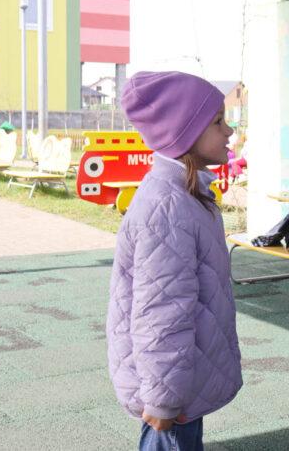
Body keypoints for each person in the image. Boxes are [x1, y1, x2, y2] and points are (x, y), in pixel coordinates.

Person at [107, 71, 243, 451]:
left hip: (181, 375)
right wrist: (163, 397)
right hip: (169, 386)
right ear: (185, 133)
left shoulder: (185, 194)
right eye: (217, 122)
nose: (229, 131)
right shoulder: (167, 207)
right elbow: (160, 311)